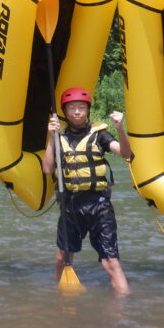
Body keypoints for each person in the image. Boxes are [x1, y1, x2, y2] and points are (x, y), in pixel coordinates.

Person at [42, 87, 132, 295]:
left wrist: (120, 128)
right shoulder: (58, 137)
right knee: (61, 258)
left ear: (88, 110)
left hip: (98, 205)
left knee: (110, 261)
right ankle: (61, 297)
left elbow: (126, 153)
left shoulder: (100, 135)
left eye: (81, 108)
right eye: (72, 108)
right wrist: (50, 136)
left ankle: (123, 307)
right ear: (65, 111)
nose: (76, 112)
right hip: (70, 206)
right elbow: (47, 169)